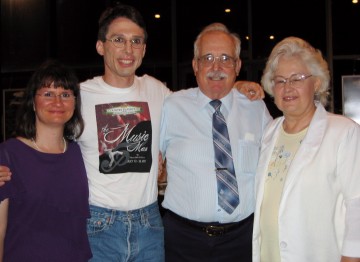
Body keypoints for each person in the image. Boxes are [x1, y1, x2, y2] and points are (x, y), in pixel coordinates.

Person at [0, 4, 264, 262]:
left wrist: (237, 86)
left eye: (136, 41)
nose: (128, 49)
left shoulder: (159, 93)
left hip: (149, 225)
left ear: (144, 49)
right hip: (97, 226)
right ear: (101, 46)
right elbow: (45, 141)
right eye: (118, 39)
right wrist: (9, 164)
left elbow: (202, 101)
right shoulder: (80, 96)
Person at [160, 23, 272, 262]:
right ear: (195, 65)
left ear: (238, 66)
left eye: (225, 58)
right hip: (183, 241)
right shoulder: (171, 107)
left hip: (242, 239)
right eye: (207, 57)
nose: (216, 67)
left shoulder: (256, 108)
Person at [252, 36, 360, 262]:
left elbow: (357, 204)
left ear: (317, 83)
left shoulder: (343, 132)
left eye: (297, 78)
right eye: (280, 80)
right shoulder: (270, 131)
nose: (287, 88)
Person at [0, 60, 92, 262]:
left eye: (65, 95)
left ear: (74, 103)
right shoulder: (9, 154)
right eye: (48, 94)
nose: (58, 102)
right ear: (33, 102)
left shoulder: (80, 153)